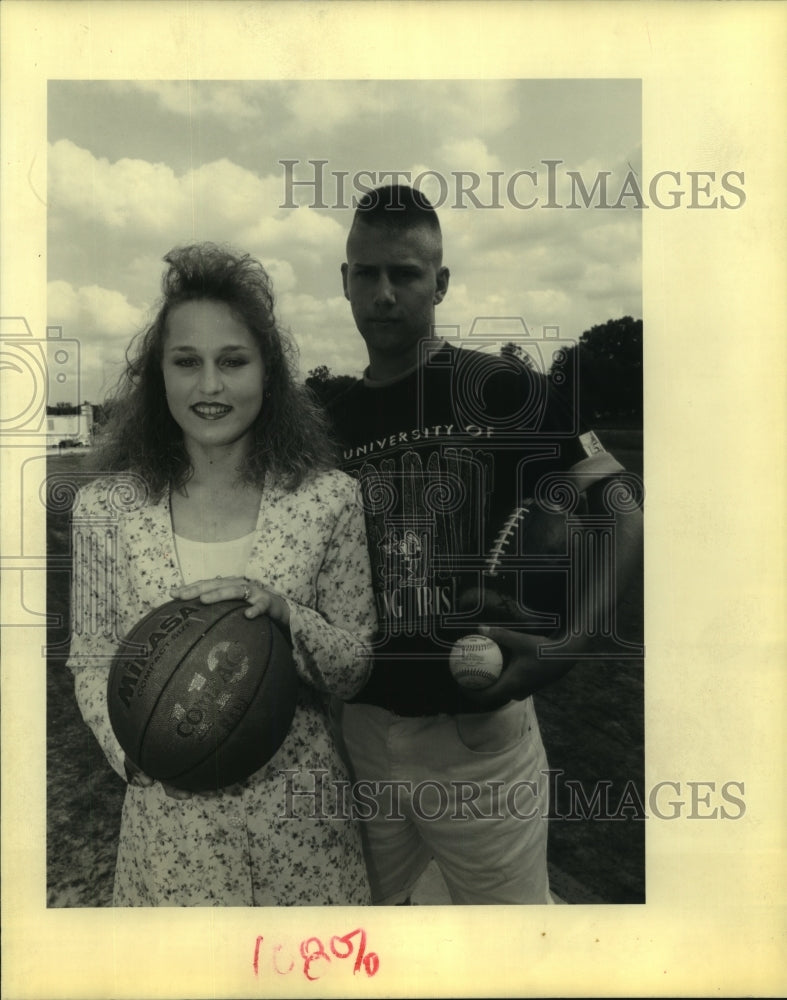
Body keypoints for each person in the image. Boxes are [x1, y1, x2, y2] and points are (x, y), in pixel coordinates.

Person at [327, 184, 644, 905]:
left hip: (475, 740)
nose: (383, 293)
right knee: (365, 927)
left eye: (404, 273)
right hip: (358, 735)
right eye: (365, 273)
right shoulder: (327, 422)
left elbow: (623, 507)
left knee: (508, 944)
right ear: (342, 280)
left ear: (439, 282)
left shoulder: (502, 390)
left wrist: (572, 642)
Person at [66, 242, 377, 906]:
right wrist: (136, 754)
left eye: (232, 361)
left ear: (268, 373)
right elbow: (91, 659)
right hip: (171, 841)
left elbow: (354, 665)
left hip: (302, 831)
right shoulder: (105, 509)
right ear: (159, 377)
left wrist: (287, 615)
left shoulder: (328, 499)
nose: (210, 386)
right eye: (187, 362)